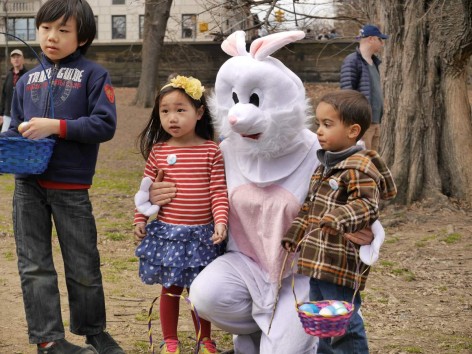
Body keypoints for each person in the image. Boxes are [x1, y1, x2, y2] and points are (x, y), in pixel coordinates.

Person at [148, 31, 383, 354]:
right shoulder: (227, 151)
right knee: (205, 295)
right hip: (245, 263)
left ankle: (285, 336)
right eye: (236, 102)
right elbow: (199, 188)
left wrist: (364, 229)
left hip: (299, 275)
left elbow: (355, 192)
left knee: (284, 351)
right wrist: (157, 197)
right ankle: (260, 330)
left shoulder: (319, 150)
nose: (241, 116)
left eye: (255, 101)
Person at [0, 1, 124, 353]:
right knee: (34, 265)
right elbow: (17, 130)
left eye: (63, 30)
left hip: (71, 186)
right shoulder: (26, 80)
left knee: (83, 265)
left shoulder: (93, 75)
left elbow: (104, 125)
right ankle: (48, 340)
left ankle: (94, 331)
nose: (51, 37)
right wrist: (10, 134)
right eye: (45, 28)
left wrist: (56, 126)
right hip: (28, 185)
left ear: (81, 37)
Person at [282, 90, 397, 353]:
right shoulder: (324, 166)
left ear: (353, 131)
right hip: (318, 260)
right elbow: (309, 208)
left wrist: (338, 217)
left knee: (343, 321)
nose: (319, 131)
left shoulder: (357, 167)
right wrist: (295, 234)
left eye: (327, 124)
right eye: (318, 124)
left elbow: (367, 205)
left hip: (340, 260)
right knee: (324, 320)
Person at [133, 75, 229, 354]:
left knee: (200, 291)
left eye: (180, 110)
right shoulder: (159, 151)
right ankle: (170, 341)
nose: (172, 118)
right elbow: (146, 190)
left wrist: (220, 221)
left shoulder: (211, 150)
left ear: (199, 113)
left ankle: (205, 339)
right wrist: (140, 219)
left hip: (202, 235)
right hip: (170, 234)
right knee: (170, 289)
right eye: (165, 111)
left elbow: (218, 192)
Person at [340, 24, 389, 152]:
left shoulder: (374, 62)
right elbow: (346, 95)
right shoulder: (352, 61)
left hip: (375, 122)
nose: (382, 44)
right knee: (362, 163)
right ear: (371, 39)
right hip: (362, 124)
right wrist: (354, 126)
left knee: (373, 162)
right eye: (380, 40)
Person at [0, 49, 27, 132]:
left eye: (18, 57)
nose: (16, 59)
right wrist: (1, 114)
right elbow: (4, 95)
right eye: (14, 57)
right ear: (11, 60)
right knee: (3, 138)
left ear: (23, 59)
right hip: (8, 114)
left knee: (21, 140)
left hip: (23, 115)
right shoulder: (9, 75)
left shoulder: (27, 75)